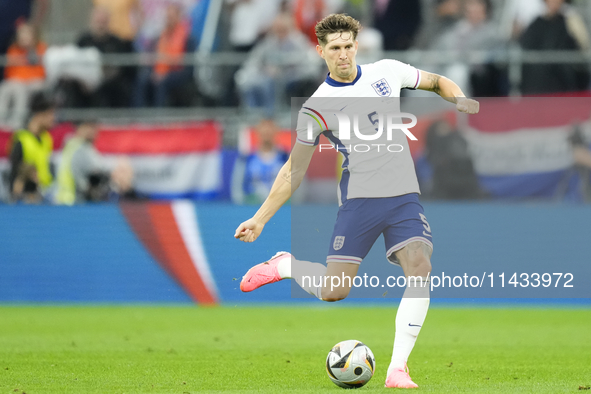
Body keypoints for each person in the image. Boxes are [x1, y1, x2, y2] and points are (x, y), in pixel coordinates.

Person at [233, 14, 479, 389]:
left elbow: (435, 81)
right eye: (335, 48)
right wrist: (260, 218)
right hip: (360, 202)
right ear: (320, 51)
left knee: (420, 265)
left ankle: (398, 369)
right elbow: (293, 171)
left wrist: (458, 97)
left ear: (356, 45)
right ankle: (285, 266)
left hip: (403, 198)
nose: (344, 54)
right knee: (334, 291)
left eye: (349, 46)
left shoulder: (387, 72)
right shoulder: (315, 108)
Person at [235, 13, 319, 115]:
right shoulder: (268, 43)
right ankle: (253, 118)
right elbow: (252, 62)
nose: (280, 33)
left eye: (283, 29)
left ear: (290, 28)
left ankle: (271, 117)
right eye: (277, 29)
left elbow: (312, 64)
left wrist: (287, 67)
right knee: (249, 84)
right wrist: (264, 70)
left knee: (272, 83)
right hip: (268, 78)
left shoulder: (298, 42)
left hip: (294, 78)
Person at [56, 121, 138, 204]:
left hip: (68, 199)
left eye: (94, 127)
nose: (92, 131)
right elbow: (96, 168)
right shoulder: (80, 147)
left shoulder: (75, 145)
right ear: (79, 128)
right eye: (88, 127)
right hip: (73, 200)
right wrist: (119, 170)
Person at [520, 0, 590, 95]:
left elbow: (582, 45)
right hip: (538, 85)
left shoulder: (569, 22)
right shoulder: (536, 25)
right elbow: (526, 49)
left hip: (563, 84)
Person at [134, 3, 196, 107]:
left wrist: (164, 74)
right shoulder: (160, 36)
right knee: (142, 79)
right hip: (160, 70)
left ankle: (160, 116)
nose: (168, 20)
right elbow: (153, 55)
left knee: (163, 82)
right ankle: (138, 115)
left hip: (178, 72)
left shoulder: (187, 38)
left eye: (171, 17)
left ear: (178, 17)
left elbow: (186, 64)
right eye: (167, 17)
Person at [77, 6, 135, 108]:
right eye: (98, 22)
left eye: (103, 22)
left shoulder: (117, 42)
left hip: (110, 80)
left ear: (108, 22)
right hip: (85, 80)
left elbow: (123, 68)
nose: (100, 25)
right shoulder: (83, 40)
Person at [8, 92, 55, 203]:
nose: (53, 118)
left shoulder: (46, 138)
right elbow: (14, 172)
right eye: (50, 114)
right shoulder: (21, 139)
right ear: (39, 115)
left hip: (45, 194)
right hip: (27, 197)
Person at [0, 22, 47, 130]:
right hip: (17, 82)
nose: (24, 37)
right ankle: (2, 122)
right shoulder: (14, 50)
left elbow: (42, 72)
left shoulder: (40, 48)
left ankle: (18, 123)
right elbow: (10, 73)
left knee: (22, 90)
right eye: (22, 34)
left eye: (27, 34)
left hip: (34, 83)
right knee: (6, 88)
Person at [231, 119, 289, 204]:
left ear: (276, 132)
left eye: (270, 129)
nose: (267, 133)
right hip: (252, 206)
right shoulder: (246, 158)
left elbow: (297, 184)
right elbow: (237, 186)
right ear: (258, 132)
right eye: (264, 130)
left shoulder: (286, 158)